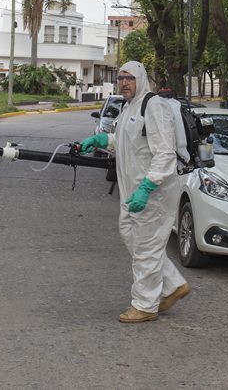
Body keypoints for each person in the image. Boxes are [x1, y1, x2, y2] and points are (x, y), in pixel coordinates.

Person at [79, 61, 190, 323]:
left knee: (145, 248)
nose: (125, 83)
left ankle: (145, 305)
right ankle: (173, 285)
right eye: (121, 78)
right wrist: (102, 140)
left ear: (140, 79)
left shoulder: (154, 106)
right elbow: (128, 144)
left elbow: (164, 153)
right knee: (133, 237)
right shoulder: (129, 107)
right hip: (132, 191)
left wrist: (148, 187)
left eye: (130, 78)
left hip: (153, 192)